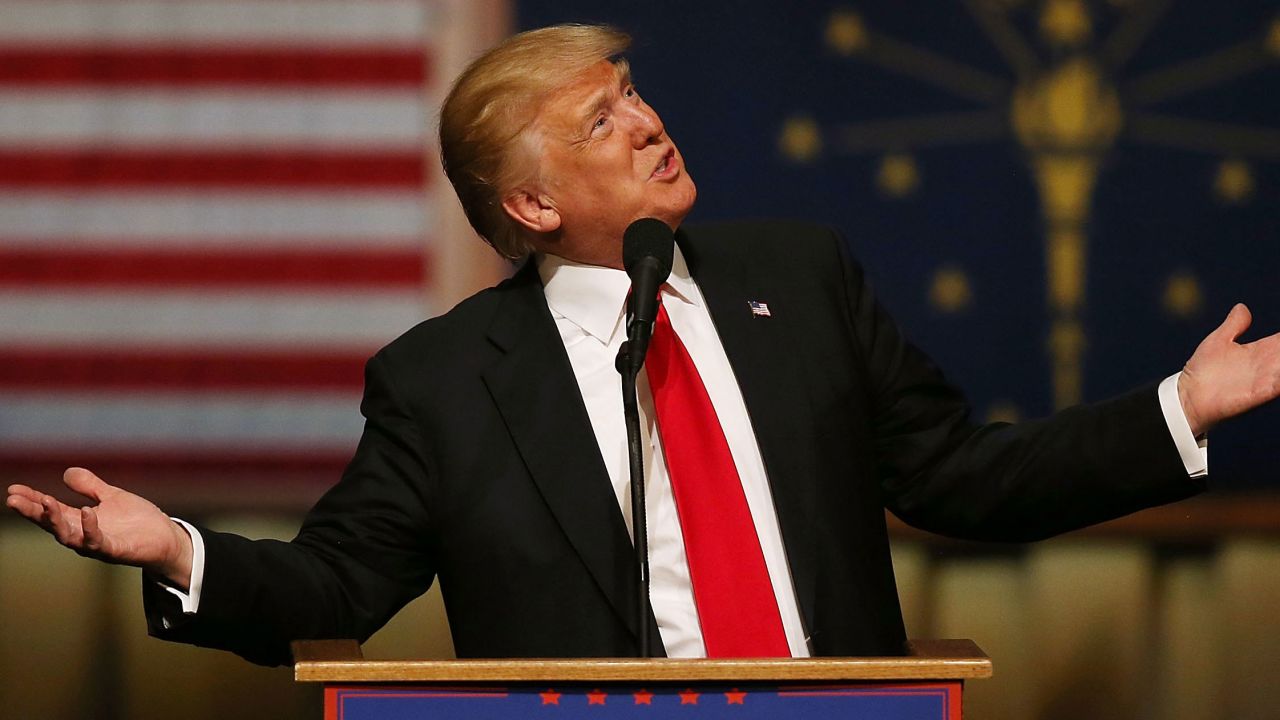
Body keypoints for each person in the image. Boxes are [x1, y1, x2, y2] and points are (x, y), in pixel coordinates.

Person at [7, 25, 1280, 666]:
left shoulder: (799, 274)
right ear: (531, 207)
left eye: (633, 94)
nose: (647, 123)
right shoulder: (444, 382)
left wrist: (1178, 407)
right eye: (600, 121)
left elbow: (959, 479)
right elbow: (338, 587)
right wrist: (173, 547)